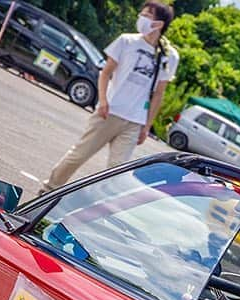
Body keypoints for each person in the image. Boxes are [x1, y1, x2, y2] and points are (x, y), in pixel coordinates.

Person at [40, 2, 179, 194]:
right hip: (109, 112)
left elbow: (159, 93)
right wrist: (103, 101)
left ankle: (97, 210)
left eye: (147, 15)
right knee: (79, 155)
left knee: (116, 172)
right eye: (142, 13)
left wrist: (146, 126)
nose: (141, 17)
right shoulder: (127, 41)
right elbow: (105, 73)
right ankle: (48, 190)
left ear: (159, 24)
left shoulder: (168, 56)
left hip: (134, 121)